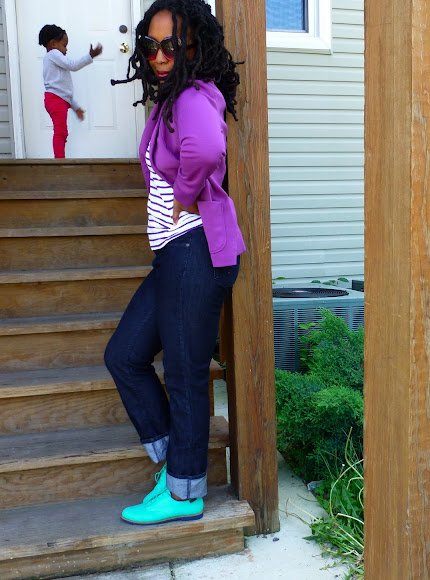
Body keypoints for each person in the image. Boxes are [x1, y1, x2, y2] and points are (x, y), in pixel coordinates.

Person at [105, 0, 245, 526]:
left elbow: (207, 151)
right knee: (124, 355)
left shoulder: (189, 96)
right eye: (152, 45)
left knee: (185, 376)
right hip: (176, 254)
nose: (161, 55)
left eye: (173, 44)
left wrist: (186, 195)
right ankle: (176, 469)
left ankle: (185, 496)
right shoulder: (173, 98)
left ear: (194, 45)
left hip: (195, 249)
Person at [38, 24, 102, 158]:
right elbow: (72, 65)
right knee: (60, 132)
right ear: (53, 43)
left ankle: (60, 159)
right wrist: (89, 57)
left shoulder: (53, 59)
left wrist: (76, 107)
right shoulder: (53, 54)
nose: (66, 49)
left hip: (56, 99)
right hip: (55, 100)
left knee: (62, 132)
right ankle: (59, 161)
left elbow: (64, 92)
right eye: (64, 45)